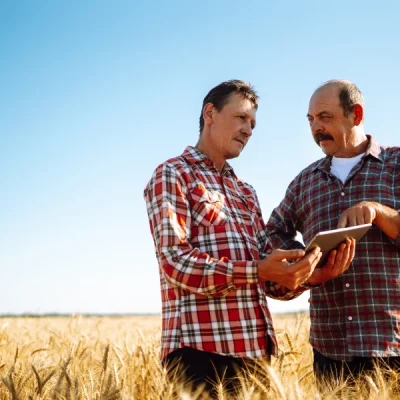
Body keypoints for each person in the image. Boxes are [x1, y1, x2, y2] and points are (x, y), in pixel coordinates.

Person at [143, 80, 353, 396]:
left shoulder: (246, 192)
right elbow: (175, 262)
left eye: (252, 124)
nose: (248, 129)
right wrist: (257, 270)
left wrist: (310, 275)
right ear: (210, 113)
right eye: (241, 118)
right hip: (200, 353)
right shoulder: (173, 174)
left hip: (257, 357)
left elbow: (267, 277)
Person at [266, 79, 400, 384]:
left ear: (356, 114)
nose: (316, 128)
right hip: (330, 352)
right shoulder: (305, 182)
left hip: (392, 343)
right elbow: (271, 234)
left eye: (325, 117)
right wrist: (305, 269)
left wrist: (379, 213)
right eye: (311, 120)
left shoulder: (396, 164)